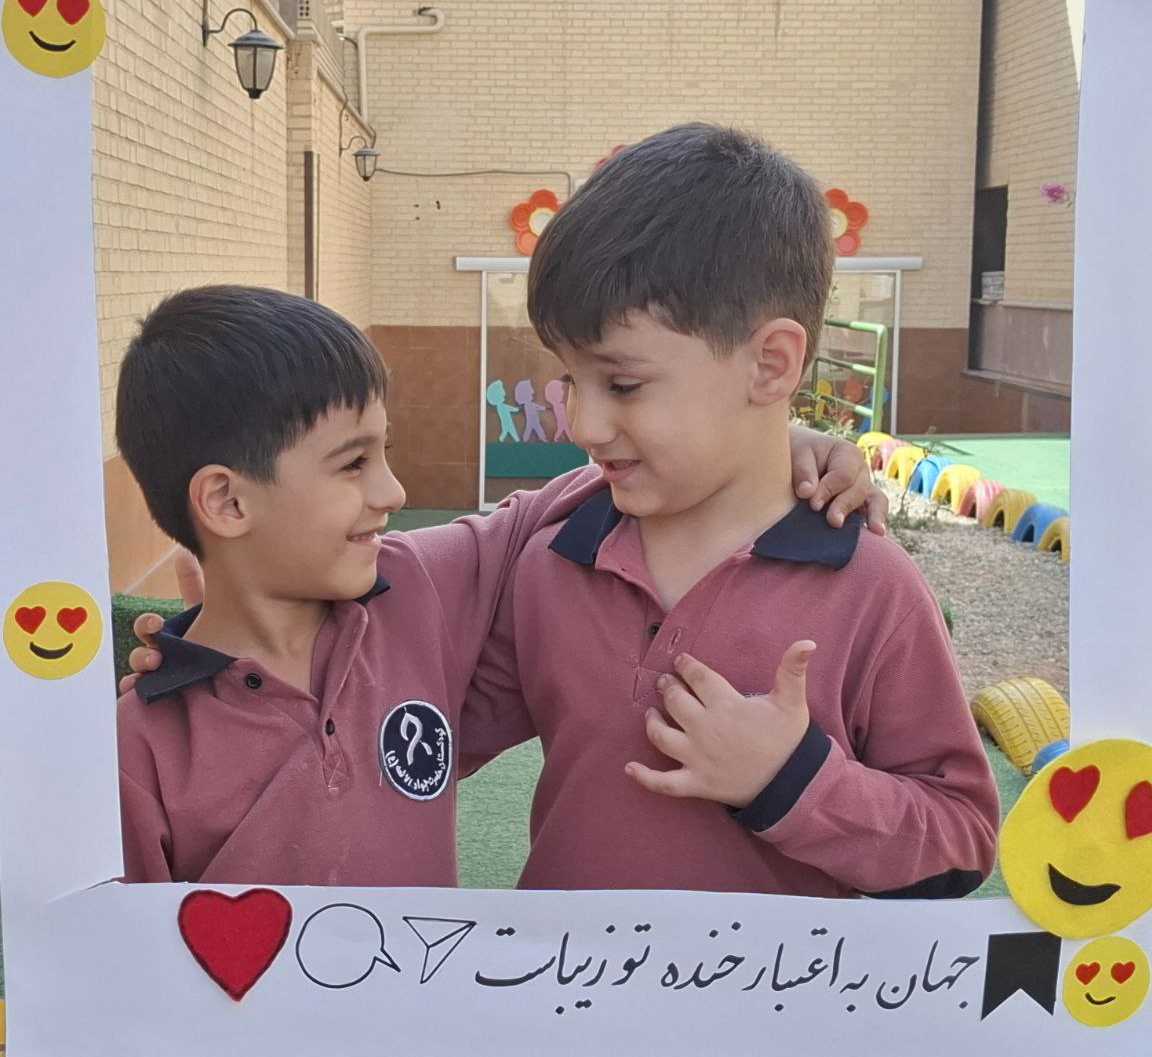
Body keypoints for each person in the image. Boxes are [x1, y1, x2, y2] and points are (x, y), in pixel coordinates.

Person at [116, 282, 882, 884]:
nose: (392, 491)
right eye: (353, 464)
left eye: (384, 453)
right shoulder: (135, 754)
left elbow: (553, 503)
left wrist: (770, 440)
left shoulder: (412, 589)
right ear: (228, 502)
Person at [459, 123, 999, 897]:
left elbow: (961, 842)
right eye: (570, 380)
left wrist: (789, 779)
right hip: (566, 976)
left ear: (771, 364)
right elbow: (432, 738)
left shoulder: (872, 588)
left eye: (623, 384)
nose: (583, 424)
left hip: (780, 981)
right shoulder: (554, 561)